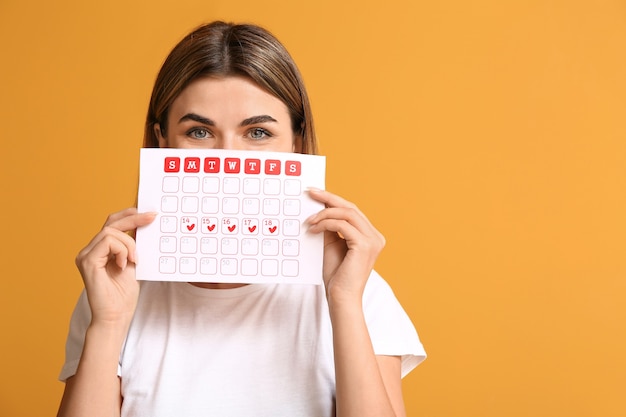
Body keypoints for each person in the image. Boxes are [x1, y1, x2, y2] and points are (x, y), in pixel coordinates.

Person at [57, 21, 426, 417]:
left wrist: (345, 303)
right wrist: (108, 323)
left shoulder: (357, 291)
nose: (228, 160)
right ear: (162, 139)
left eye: (258, 133)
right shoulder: (115, 290)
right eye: (199, 132)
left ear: (297, 143)